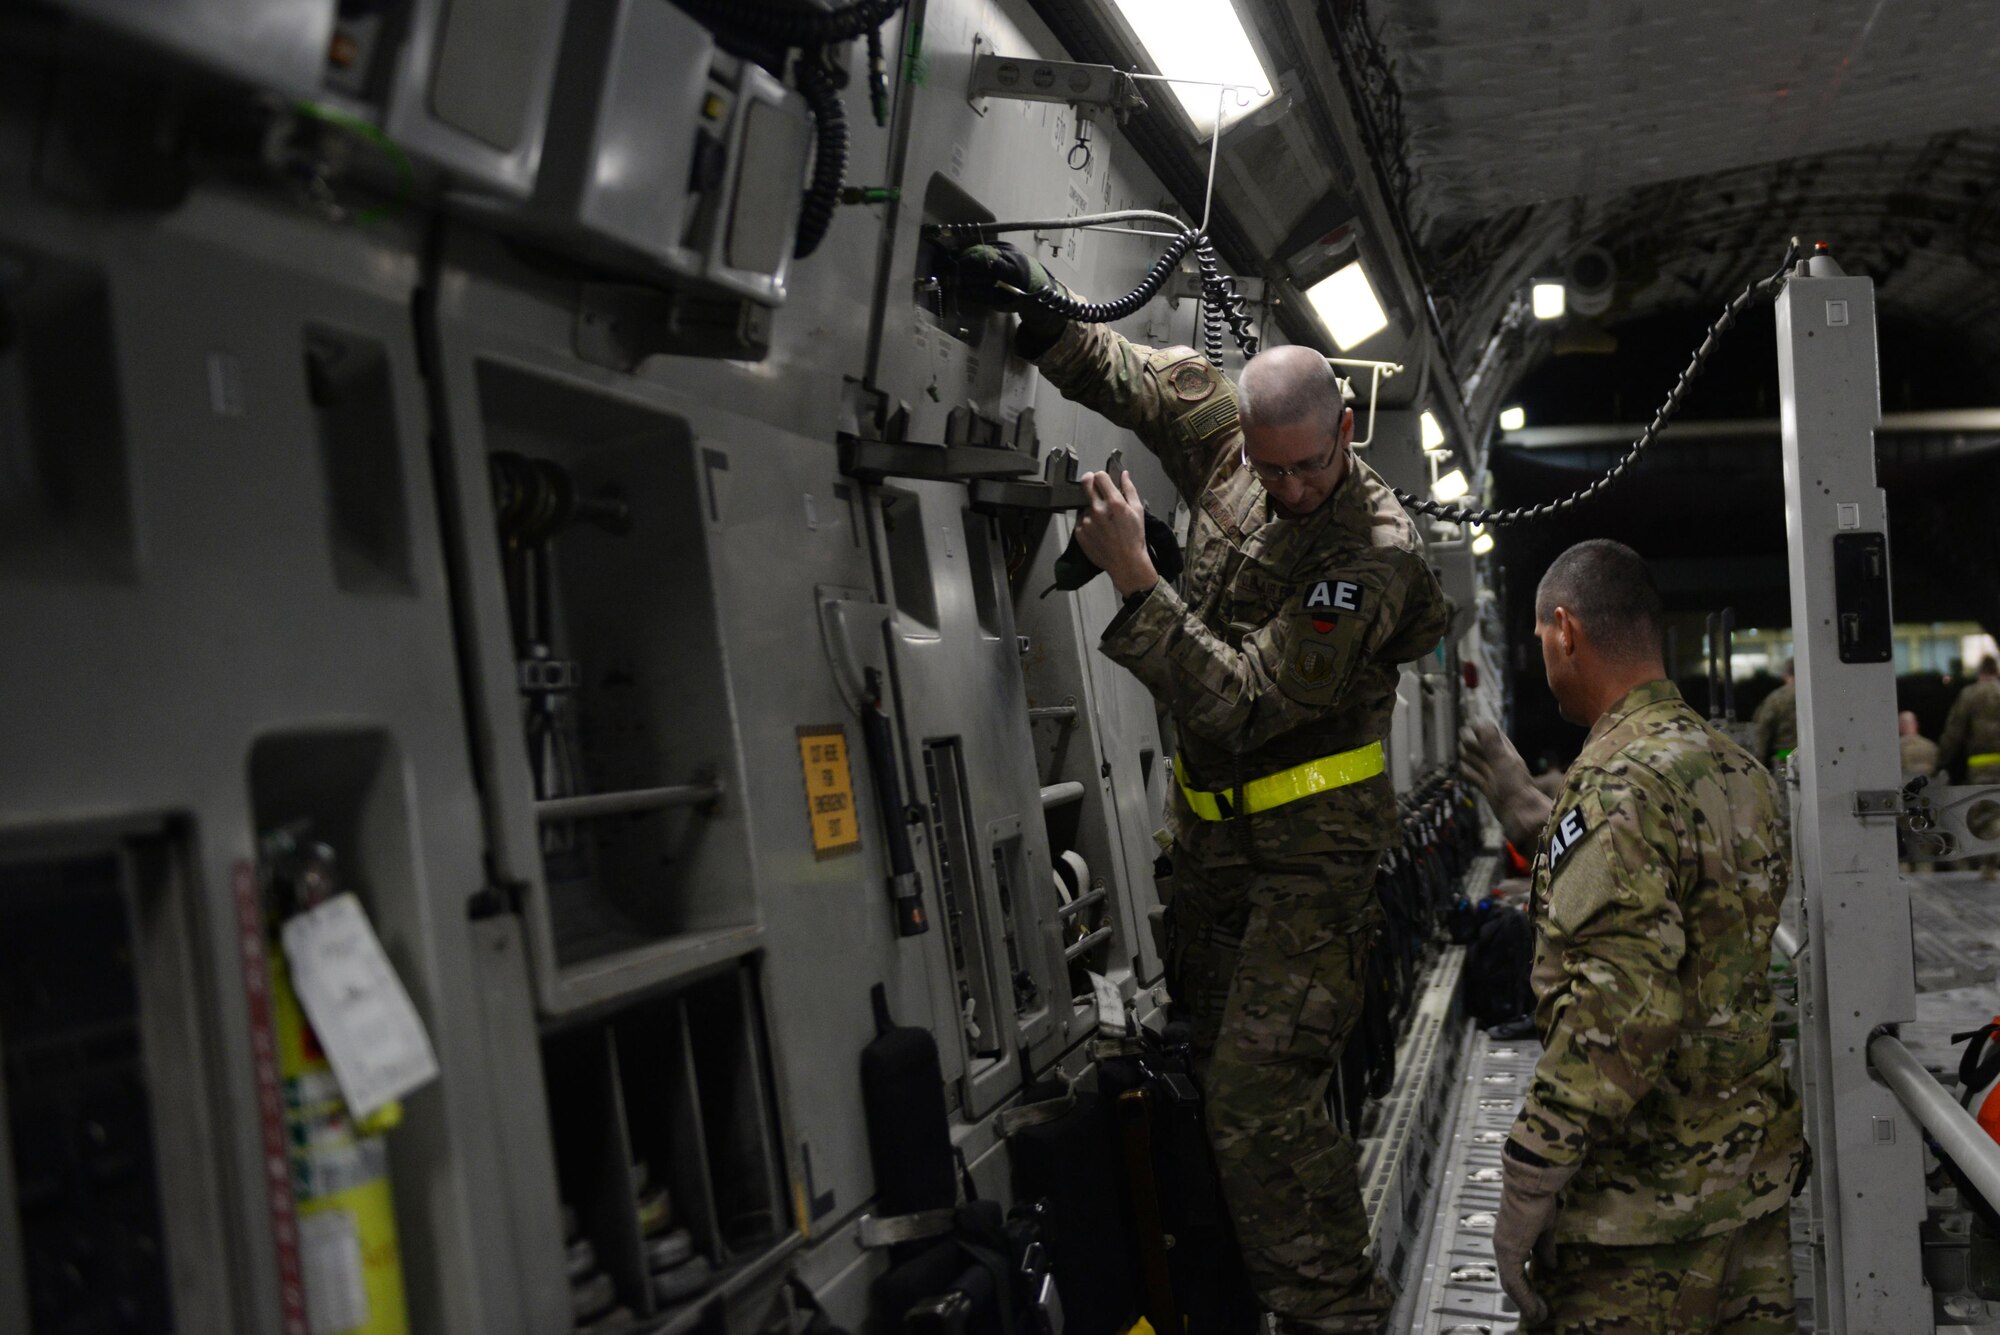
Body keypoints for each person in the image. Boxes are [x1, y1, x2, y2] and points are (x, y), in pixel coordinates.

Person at [955, 242, 1449, 1334]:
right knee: (1214, 1100)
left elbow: (1235, 703)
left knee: (1256, 1098)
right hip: (1215, 854)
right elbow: (1131, 377)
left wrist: (1137, 572)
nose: (1283, 490)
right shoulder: (1230, 433)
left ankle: (1337, 1317)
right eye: (1268, 470)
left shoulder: (1371, 559)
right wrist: (1035, 316)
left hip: (1311, 872)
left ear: (1346, 435)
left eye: (1305, 470)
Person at [1459, 540, 1803, 1333]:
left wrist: (1530, 1171)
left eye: (1543, 638)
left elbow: (1619, 1012)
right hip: (1749, 1195)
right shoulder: (1733, 767)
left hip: (1642, 1224)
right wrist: (1543, 829)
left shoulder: (1614, 783)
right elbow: (1691, 917)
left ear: (1566, 630)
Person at [1938, 658, 2000, 879]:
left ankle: (1990, 865)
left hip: (1981, 765)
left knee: (1984, 814)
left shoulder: (1970, 694)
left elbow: (1954, 731)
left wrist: (1942, 760)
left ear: (1980, 672)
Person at [1751, 658, 1796, 773]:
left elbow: (1761, 731)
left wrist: (1758, 764)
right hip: (1817, 755)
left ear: (1786, 675)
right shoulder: (1818, 695)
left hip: (1786, 757)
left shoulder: (1776, 698)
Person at [1899, 710, 1939, 783]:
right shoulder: (1930, 746)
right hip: (1929, 787)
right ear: (1916, 724)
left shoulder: (1896, 748)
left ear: (1900, 726)